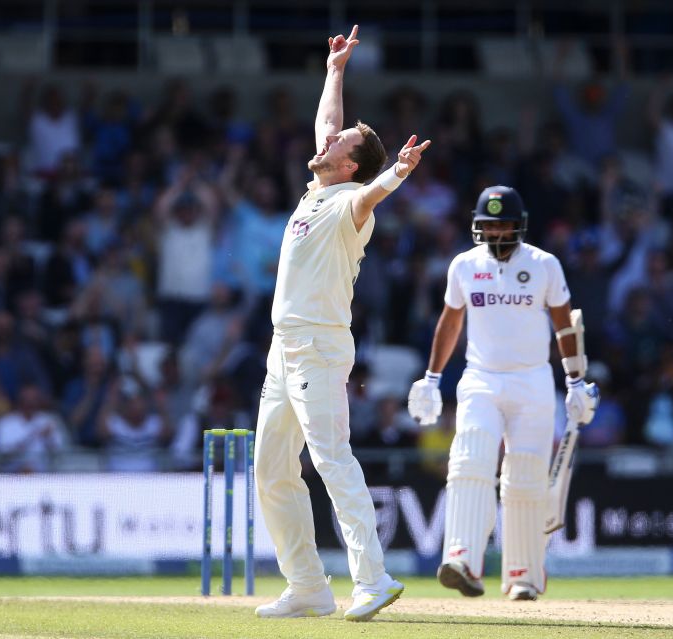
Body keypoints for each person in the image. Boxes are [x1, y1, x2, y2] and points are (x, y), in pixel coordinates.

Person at [253, 25, 430, 622]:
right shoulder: (315, 188)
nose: (325, 141)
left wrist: (398, 172)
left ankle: (373, 579)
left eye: (337, 144)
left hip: (319, 349)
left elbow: (371, 196)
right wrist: (335, 70)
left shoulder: (349, 206)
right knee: (271, 471)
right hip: (283, 350)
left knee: (332, 460)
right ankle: (307, 587)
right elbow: (329, 125)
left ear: (349, 164)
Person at [407, 185, 598, 601]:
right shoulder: (464, 265)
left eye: (504, 225)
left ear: (519, 226)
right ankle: (461, 559)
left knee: (525, 478)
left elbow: (565, 325)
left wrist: (576, 381)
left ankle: (523, 575)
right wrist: (432, 378)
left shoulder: (544, 265)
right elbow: (450, 322)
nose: (496, 233)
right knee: (470, 458)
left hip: (533, 382)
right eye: (489, 226)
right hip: (481, 379)